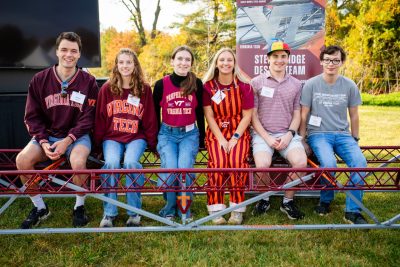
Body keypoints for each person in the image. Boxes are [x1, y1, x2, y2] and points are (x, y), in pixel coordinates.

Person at [15, 32, 99, 228]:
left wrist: (68, 140)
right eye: (64, 50)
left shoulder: (88, 81)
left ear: (79, 54)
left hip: (77, 136)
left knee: (78, 160)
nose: (68, 54)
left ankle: (79, 206)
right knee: (22, 160)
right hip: (48, 135)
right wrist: (44, 142)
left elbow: (89, 118)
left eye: (73, 51)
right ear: (56, 52)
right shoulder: (39, 80)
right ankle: (40, 207)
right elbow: (32, 117)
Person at [299, 45, 368, 224]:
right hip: (318, 134)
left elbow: (354, 115)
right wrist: (302, 138)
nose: (331, 64)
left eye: (336, 60)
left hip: (343, 135)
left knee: (360, 163)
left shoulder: (349, 85)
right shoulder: (311, 84)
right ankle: (325, 200)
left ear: (341, 62)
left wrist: (355, 138)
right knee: (329, 163)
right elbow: (303, 114)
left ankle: (352, 211)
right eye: (328, 60)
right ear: (321, 61)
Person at [94, 48, 157, 227]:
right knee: (112, 164)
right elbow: (100, 118)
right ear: (116, 65)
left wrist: (153, 145)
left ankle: (134, 212)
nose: (125, 66)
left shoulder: (144, 89)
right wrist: (98, 145)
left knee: (130, 163)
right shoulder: (106, 89)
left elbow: (150, 118)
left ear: (135, 65)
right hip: (112, 137)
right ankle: (109, 212)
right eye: (121, 62)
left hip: (136, 137)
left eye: (129, 62)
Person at [250, 40, 307, 220]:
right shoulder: (256, 82)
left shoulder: (297, 84)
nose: (279, 60)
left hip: (286, 133)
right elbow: (253, 116)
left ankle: (287, 202)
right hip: (262, 134)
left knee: (301, 163)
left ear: (288, 58)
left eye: (283, 56)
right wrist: (266, 138)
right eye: (275, 56)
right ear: (268, 59)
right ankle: (264, 198)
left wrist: (290, 134)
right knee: (262, 165)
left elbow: (297, 113)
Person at [153, 45, 205, 222]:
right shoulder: (161, 84)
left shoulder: (196, 83)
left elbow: (200, 114)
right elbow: (154, 113)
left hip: (189, 134)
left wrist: (203, 137)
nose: (183, 62)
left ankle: (185, 209)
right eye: (180, 59)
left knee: (184, 169)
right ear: (172, 61)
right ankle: (169, 208)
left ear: (191, 63)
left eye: (187, 60)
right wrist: (155, 138)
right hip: (167, 133)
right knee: (170, 171)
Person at [202, 48, 254, 225]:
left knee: (237, 163)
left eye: (229, 60)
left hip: (238, 131)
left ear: (234, 63)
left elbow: (247, 115)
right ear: (216, 63)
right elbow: (209, 116)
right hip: (217, 132)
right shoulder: (208, 86)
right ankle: (216, 209)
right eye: (222, 60)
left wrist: (235, 138)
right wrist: (222, 139)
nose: (225, 63)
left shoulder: (244, 85)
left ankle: (236, 210)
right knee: (218, 164)